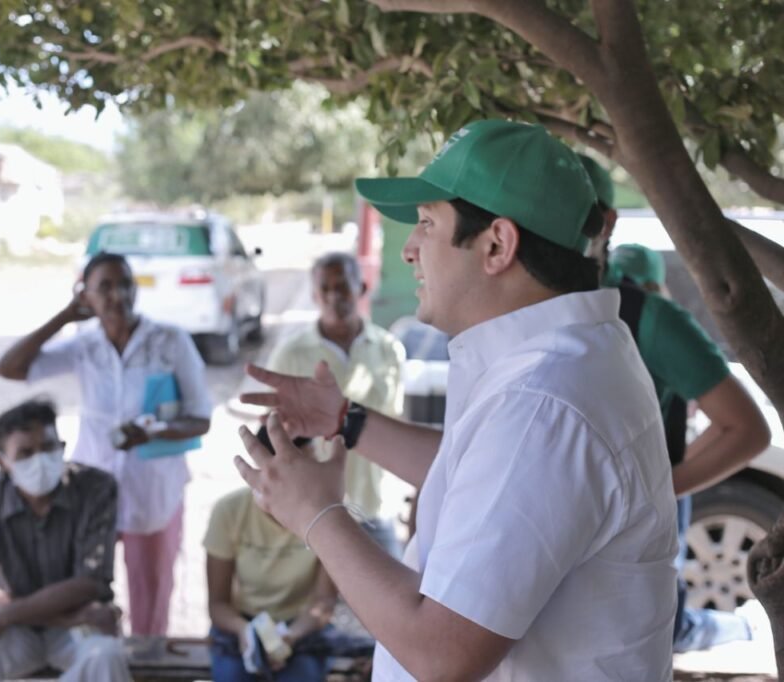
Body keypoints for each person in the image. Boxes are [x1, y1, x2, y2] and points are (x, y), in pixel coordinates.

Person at [234, 119, 680, 680]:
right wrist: (347, 423)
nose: (410, 251)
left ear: (497, 244)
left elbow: (441, 653)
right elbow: (486, 479)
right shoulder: (563, 361)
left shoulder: (544, 403)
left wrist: (316, 513)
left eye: (425, 224)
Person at [580, 156, 771, 652]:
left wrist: (658, 491)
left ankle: (746, 627)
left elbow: (746, 428)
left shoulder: (646, 317)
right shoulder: (506, 312)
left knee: (665, 632)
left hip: (619, 567)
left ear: (604, 224)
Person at [0, 252, 212, 636]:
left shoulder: (169, 341)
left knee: (151, 596)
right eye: (104, 287)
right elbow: (9, 368)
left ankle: (145, 666)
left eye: (125, 284)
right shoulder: (84, 346)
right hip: (91, 490)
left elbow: (200, 418)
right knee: (85, 592)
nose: (117, 295)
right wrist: (65, 317)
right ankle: (97, 663)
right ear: (86, 294)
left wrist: (154, 432)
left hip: (154, 493)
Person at [0, 399, 131, 682]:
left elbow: (89, 583)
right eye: (25, 453)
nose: (40, 459)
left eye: (48, 448)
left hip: (76, 626)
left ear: (63, 447)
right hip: (40, 623)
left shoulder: (96, 488)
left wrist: (3, 614)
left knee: (105, 656)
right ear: (2, 462)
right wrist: (52, 617)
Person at [265, 252, 406, 556]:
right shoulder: (291, 354)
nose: (332, 297)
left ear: (362, 288)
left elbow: (397, 423)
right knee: (317, 602)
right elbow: (275, 438)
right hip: (314, 513)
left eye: (341, 286)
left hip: (374, 507)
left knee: (389, 599)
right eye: (324, 289)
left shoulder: (388, 351)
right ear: (314, 295)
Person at [205, 437, 338, 681]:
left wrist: (290, 636)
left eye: (312, 466)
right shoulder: (229, 511)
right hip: (241, 622)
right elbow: (218, 605)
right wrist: (244, 630)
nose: (309, 478)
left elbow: (324, 603)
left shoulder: (330, 514)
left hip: (302, 625)